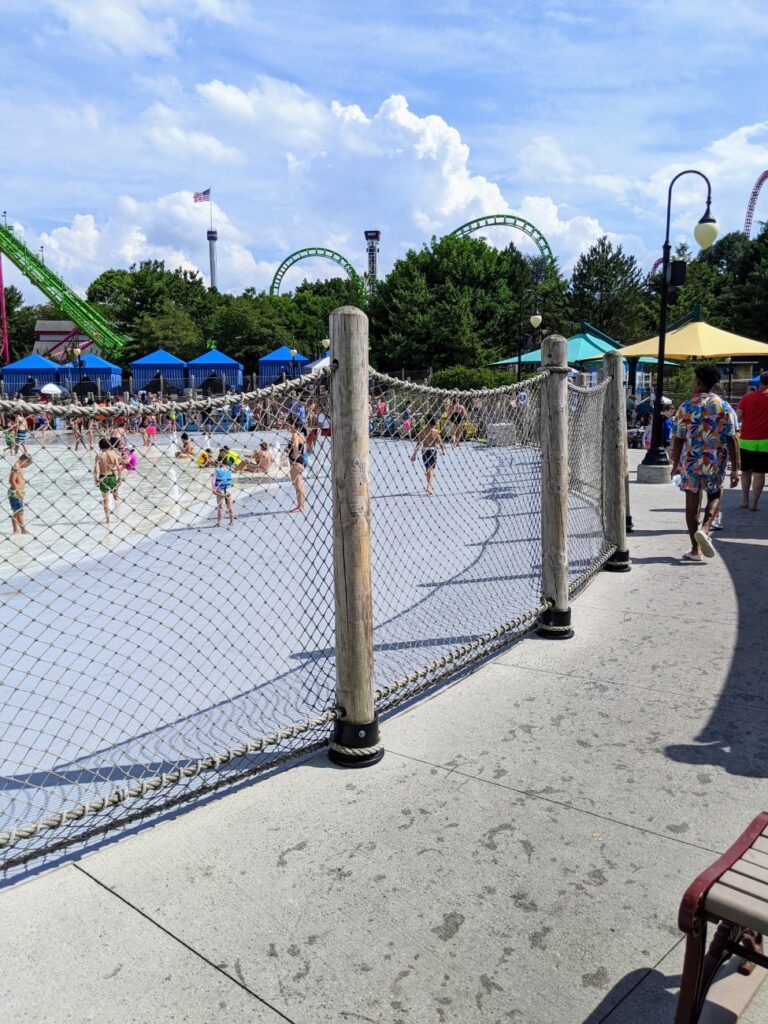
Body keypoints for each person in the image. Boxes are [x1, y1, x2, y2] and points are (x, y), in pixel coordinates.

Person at [669, 365, 739, 562]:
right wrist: (736, 468)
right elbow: (732, 438)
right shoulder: (723, 406)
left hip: (691, 461)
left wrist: (674, 464)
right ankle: (706, 528)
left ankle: (695, 550)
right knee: (715, 494)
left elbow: (679, 438)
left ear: (698, 382)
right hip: (715, 460)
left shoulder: (686, 406)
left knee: (692, 502)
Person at [736, 370, 768, 512]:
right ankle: (754, 504)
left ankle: (744, 500)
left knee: (746, 472)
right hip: (765, 442)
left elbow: (739, 418)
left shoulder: (747, 397)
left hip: (746, 440)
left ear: (760, 381)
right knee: (759, 474)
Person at [411, 415, 446, 495]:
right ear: (433, 422)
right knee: (431, 469)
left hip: (424, 451)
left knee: (428, 468)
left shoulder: (422, 431)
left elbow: (419, 443)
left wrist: (414, 454)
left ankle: (429, 484)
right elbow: (440, 442)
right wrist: (443, 450)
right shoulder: (435, 432)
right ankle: (429, 486)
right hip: (433, 451)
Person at [94, 437, 122, 525]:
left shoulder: (99, 456)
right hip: (112, 477)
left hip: (103, 478)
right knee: (116, 497)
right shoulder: (113, 455)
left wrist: (96, 480)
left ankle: (107, 520)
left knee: (105, 500)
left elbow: (96, 469)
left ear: (100, 446)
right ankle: (118, 516)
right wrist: (119, 479)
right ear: (109, 445)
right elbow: (118, 468)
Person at [286, 418, 307, 512]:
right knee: (299, 485)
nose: (286, 426)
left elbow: (295, 446)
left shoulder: (295, 434)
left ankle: (300, 507)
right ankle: (300, 505)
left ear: (293, 425)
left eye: (288, 424)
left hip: (296, 461)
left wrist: (294, 455)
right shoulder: (300, 434)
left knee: (298, 485)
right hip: (301, 460)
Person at [8, 454, 32, 534]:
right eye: (27, 465)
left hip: (17, 492)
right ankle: (23, 530)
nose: (26, 467)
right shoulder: (16, 467)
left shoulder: (19, 467)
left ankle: (15, 530)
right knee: (20, 512)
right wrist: (18, 491)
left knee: (16, 512)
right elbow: (11, 480)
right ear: (25, 460)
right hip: (15, 492)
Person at [212, 461, 235, 526]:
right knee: (230, 506)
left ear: (219, 462)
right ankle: (232, 521)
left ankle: (218, 523)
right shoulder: (228, 469)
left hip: (220, 491)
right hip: (228, 490)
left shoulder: (216, 470)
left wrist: (214, 490)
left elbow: (213, 481)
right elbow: (230, 480)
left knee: (220, 507)